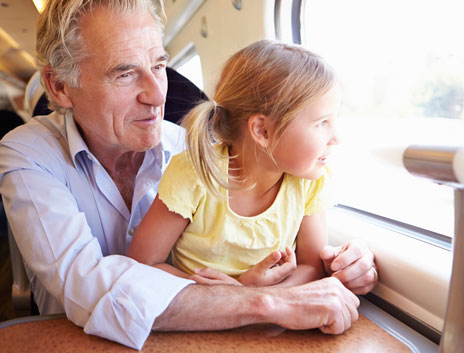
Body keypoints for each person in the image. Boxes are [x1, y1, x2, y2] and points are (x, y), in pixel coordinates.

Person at [0, 0, 377, 350]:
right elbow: (85, 287)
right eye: (125, 73)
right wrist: (262, 301)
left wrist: (343, 262)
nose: (156, 94)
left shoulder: (196, 149)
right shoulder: (28, 154)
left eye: (160, 66)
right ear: (60, 86)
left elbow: (279, 237)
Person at [127, 40, 340, 289]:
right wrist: (231, 294)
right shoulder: (194, 174)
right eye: (321, 123)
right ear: (262, 131)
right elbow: (142, 264)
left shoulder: (311, 181)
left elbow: (312, 267)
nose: (336, 137)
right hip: (201, 316)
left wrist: (253, 294)